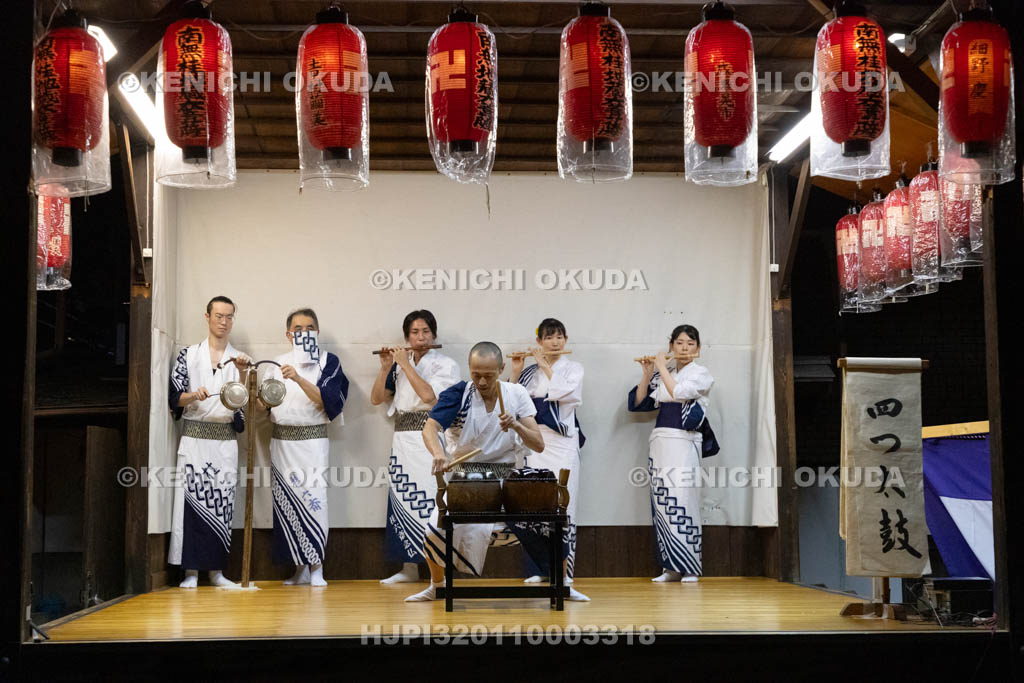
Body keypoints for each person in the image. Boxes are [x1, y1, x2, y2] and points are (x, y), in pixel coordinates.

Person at [405, 342, 590, 602]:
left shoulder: (516, 394)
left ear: (501, 369)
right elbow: (430, 427)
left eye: (488, 375)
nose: (481, 381)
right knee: (433, 528)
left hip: (511, 479)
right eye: (475, 374)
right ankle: (437, 586)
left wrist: (516, 425)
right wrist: (438, 453)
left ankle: (563, 585)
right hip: (467, 479)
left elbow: (537, 443)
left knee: (551, 522)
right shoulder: (458, 393)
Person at [370, 310, 460, 584]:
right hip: (402, 439)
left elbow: (430, 397)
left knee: (433, 501)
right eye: (414, 333)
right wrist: (387, 366)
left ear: (434, 334)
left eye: (425, 332)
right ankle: (408, 569)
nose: (420, 338)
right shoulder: (398, 364)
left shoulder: (447, 365)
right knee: (403, 500)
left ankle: (440, 570)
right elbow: (376, 399)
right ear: (406, 336)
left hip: (430, 438)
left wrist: (406, 365)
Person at [168, 296, 250, 588]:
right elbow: (175, 397)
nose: (223, 322)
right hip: (194, 438)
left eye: (229, 316)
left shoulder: (241, 359)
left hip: (224, 441)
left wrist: (242, 373)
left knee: (222, 504)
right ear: (207, 317)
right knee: (189, 504)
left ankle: (216, 572)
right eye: (218, 315)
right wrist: (194, 395)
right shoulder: (188, 355)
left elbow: (242, 404)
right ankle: (190, 571)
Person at [264, 308, 348, 587]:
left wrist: (298, 378)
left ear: (317, 332)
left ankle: (317, 567)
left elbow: (329, 402)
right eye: (297, 329)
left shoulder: (328, 362)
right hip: (282, 442)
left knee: (314, 501)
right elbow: (265, 404)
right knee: (286, 503)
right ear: (288, 335)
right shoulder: (276, 364)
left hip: (312, 442)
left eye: (309, 328)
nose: (304, 333)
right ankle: (298, 568)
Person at [627, 324, 714, 583]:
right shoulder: (666, 372)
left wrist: (662, 367)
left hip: (684, 441)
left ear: (698, 347)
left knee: (684, 499)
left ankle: (691, 567)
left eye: (690, 343)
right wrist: (647, 373)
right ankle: (671, 567)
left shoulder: (702, 374)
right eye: (679, 343)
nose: (684, 348)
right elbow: (640, 403)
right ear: (671, 345)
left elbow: (680, 393)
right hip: (661, 440)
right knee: (663, 501)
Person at [508, 318, 585, 586]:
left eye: (560, 337)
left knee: (563, 502)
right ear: (539, 342)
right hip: (534, 440)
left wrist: (544, 366)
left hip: (562, 442)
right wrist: (517, 372)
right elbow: (510, 399)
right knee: (535, 502)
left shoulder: (574, 368)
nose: (555, 342)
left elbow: (568, 395)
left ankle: (564, 572)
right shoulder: (529, 373)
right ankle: (539, 567)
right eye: (549, 337)